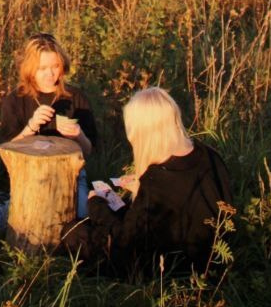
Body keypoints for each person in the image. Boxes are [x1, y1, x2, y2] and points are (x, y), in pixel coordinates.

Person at [86, 87, 233, 278]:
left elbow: (126, 242)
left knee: (78, 234)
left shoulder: (156, 179)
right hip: (214, 260)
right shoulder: (210, 155)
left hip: (171, 272)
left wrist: (96, 205)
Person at [0, 32, 97, 226]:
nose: (50, 74)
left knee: (81, 217)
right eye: (42, 68)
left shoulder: (76, 97)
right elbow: (5, 151)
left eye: (55, 66)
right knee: (17, 222)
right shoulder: (15, 100)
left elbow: (89, 150)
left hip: (70, 174)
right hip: (28, 175)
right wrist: (30, 128)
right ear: (30, 69)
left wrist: (79, 135)